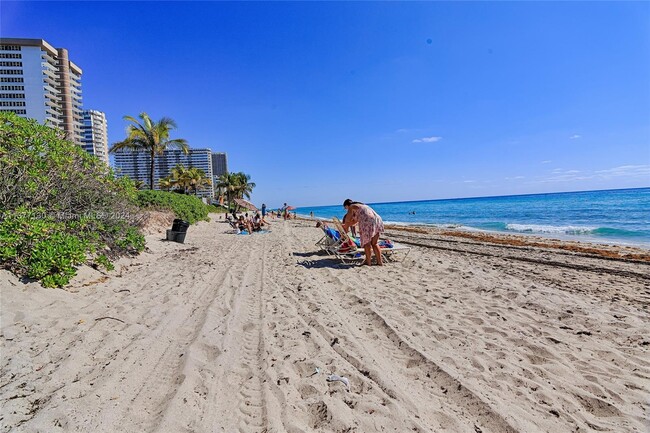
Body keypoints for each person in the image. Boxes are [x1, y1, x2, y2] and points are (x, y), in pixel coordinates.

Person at [341, 199, 385, 266]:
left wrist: (346, 227)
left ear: (347, 205)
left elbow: (347, 219)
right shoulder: (362, 206)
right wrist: (347, 225)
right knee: (374, 243)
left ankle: (368, 262)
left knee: (367, 243)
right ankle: (379, 262)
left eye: (345, 208)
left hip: (367, 221)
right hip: (377, 219)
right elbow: (354, 221)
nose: (346, 210)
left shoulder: (351, 206)